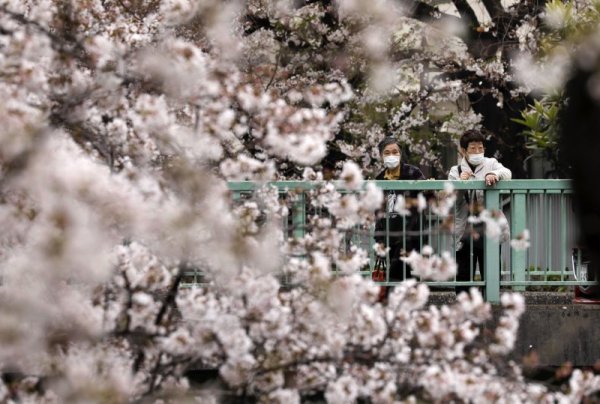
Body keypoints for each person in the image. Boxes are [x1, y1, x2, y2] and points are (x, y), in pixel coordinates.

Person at [448, 129, 512, 295]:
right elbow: (451, 199)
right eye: (473, 148)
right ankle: (463, 306)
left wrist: (493, 174)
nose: (477, 152)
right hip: (465, 230)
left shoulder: (490, 163)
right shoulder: (455, 171)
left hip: (488, 227)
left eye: (480, 148)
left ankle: (491, 304)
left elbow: (507, 173)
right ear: (463, 151)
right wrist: (461, 183)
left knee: (491, 270)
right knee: (463, 272)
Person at [374, 136, 426, 282]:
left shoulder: (413, 173)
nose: (392, 156)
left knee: (403, 274)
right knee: (395, 275)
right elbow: (378, 213)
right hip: (389, 234)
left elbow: (428, 198)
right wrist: (379, 238)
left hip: (411, 233)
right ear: (381, 156)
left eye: (395, 152)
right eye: (387, 152)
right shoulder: (379, 179)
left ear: (400, 154)